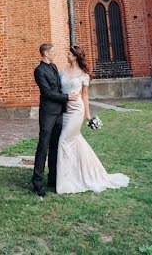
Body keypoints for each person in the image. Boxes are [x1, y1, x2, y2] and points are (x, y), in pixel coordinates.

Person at [56, 45, 129, 194]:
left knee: (64, 141)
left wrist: (88, 116)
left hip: (76, 110)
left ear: (75, 56)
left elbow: (85, 96)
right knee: (75, 141)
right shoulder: (62, 72)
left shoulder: (83, 75)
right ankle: (81, 174)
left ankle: (65, 183)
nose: (66, 55)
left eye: (69, 53)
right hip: (65, 110)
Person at [32, 43, 78, 197]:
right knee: (43, 146)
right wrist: (67, 97)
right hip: (47, 113)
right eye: (52, 52)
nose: (54, 54)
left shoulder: (53, 67)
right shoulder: (39, 71)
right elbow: (47, 92)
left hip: (59, 112)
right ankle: (37, 181)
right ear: (45, 53)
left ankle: (52, 178)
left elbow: (58, 87)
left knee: (55, 147)